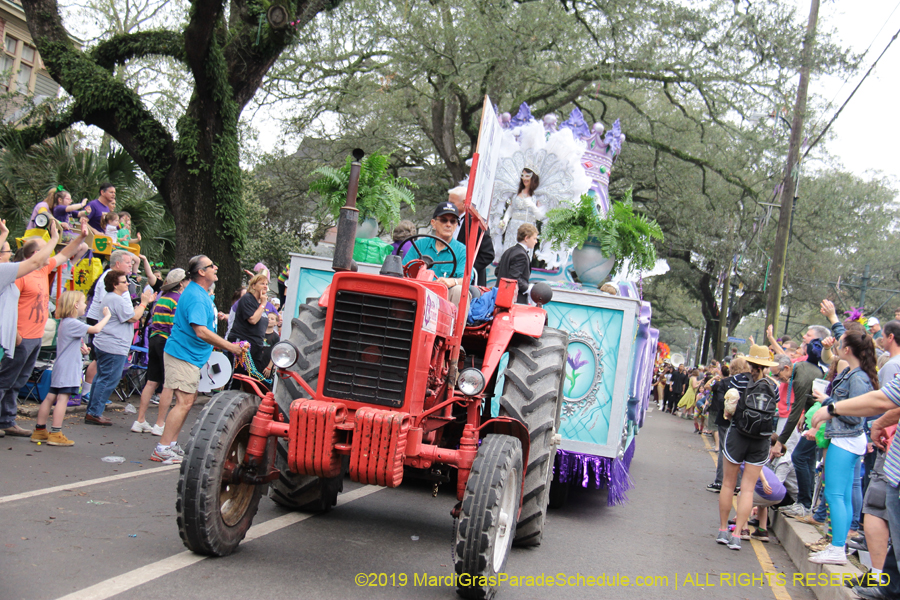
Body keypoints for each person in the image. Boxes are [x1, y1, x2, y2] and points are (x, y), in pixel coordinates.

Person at [0, 219, 91, 437]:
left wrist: (80, 238)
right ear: (33, 255)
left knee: (19, 380)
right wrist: (16, 334)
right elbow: (8, 307)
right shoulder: (19, 275)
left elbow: (63, 255)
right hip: (20, 337)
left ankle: (7, 420)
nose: (48, 254)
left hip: (36, 335)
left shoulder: (43, 270)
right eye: (43, 250)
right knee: (5, 380)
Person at [152, 255, 242, 463]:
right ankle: (162, 448)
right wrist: (230, 347)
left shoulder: (198, 293)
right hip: (182, 354)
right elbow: (200, 331)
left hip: (189, 355)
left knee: (186, 402)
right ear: (201, 272)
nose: (216, 267)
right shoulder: (195, 296)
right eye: (212, 266)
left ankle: (170, 445)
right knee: (183, 402)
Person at [803, 330, 878, 565]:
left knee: (835, 494)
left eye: (840, 343)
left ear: (847, 350)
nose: (835, 345)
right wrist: (828, 402)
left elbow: (856, 415)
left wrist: (829, 405)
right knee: (842, 495)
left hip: (846, 440)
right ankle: (838, 545)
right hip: (847, 440)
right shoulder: (855, 373)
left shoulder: (857, 378)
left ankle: (837, 547)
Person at [716, 345, 780, 551]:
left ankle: (723, 529)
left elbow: (729, 411)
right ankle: (738, 534)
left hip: (737, 435)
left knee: (728, 483)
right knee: (748, 489)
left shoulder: (737, 381)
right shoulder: (774, 387)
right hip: (760, 440)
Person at [30, 291, 111, 446]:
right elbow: (96, 329)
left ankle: (40, 430)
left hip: (60, 366)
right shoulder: (73, 322)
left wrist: (80, 348)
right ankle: (56, 432)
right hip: (68, 368)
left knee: (50, 397)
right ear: (75, 305)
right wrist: (107, 316)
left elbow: (70, 342)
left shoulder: (65, 322)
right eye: (83, 303)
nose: (85, 305)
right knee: (63, 398)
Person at [771, 325, 829, 520]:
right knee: (807, 459)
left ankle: (804, 503)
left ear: (787, 368)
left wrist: (780, 442)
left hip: (821, 419)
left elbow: (794, 413)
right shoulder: (800, 369)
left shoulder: (801, 376)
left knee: (800, 457)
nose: (779, 380)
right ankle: (806, 502)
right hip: (815, 415)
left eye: (778, 376)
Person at [85, 270, 155, 425]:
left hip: (107, 343)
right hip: (113, 346)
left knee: (101, 377)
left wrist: (144, 303)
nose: (128, 283)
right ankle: (94, 412)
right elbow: (134, 317)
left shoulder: (111, 298)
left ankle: (93, 410)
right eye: (124, 282)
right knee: (109, 378)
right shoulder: (117, 299)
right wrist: (144, 303)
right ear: (115, 285)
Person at [131, 269, 186, 436]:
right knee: (168, 385)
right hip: (167, 342)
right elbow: (174, 325)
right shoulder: (178, 300)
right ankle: (160, 424)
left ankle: (140, 420)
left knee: (151, 381)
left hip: (154, 339)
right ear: (181, 283)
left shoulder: (162, 298)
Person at [402, 203, 468, 305]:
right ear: (433, 223)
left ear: (456, 225)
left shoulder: (462, 250)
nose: (448, 224)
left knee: (459, 290)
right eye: (444, 220)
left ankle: (453, 321)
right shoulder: (419, 245)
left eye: (452, 221)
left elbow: (467, 280)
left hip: (444, 297)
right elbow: (403, 270)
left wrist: (452, 281)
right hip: (417, 293)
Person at [227, 272, 270, 384]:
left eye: (266, 284)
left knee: (252, 381)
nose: (265, 286)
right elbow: (253, 319)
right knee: (237, 378)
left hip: (256, 346)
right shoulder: (247, 299)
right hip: (243, 343)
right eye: (262, 283)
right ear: (253, 286)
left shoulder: (258, 303)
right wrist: (263, 304)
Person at [447, 186, 494, 286]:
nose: (448, 206)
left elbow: (487, 254)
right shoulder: (446, 220)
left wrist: (468, 270)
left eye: (452, 203)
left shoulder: (477, 223)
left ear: (465, 203)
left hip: (469, 282)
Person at [498, 167, 544, 256]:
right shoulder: (516, 194)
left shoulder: (537, 196)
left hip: (528, 228)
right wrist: (505, 220)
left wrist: (533, 206)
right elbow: (510, 210)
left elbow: (540, 217)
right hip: (513, 228)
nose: (524, 178)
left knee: (522, 254)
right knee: (509, 252)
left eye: (527, 176)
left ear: (533, 178)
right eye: (523, 176)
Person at [494, 223, 537, 304]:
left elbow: (497, 271)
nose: (536, 241)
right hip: (513, 299)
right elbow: (514, 278)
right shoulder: (521, 255)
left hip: (499, 295)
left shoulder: (508, 251)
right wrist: (528, 288)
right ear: (526, 238)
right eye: (534, 238)